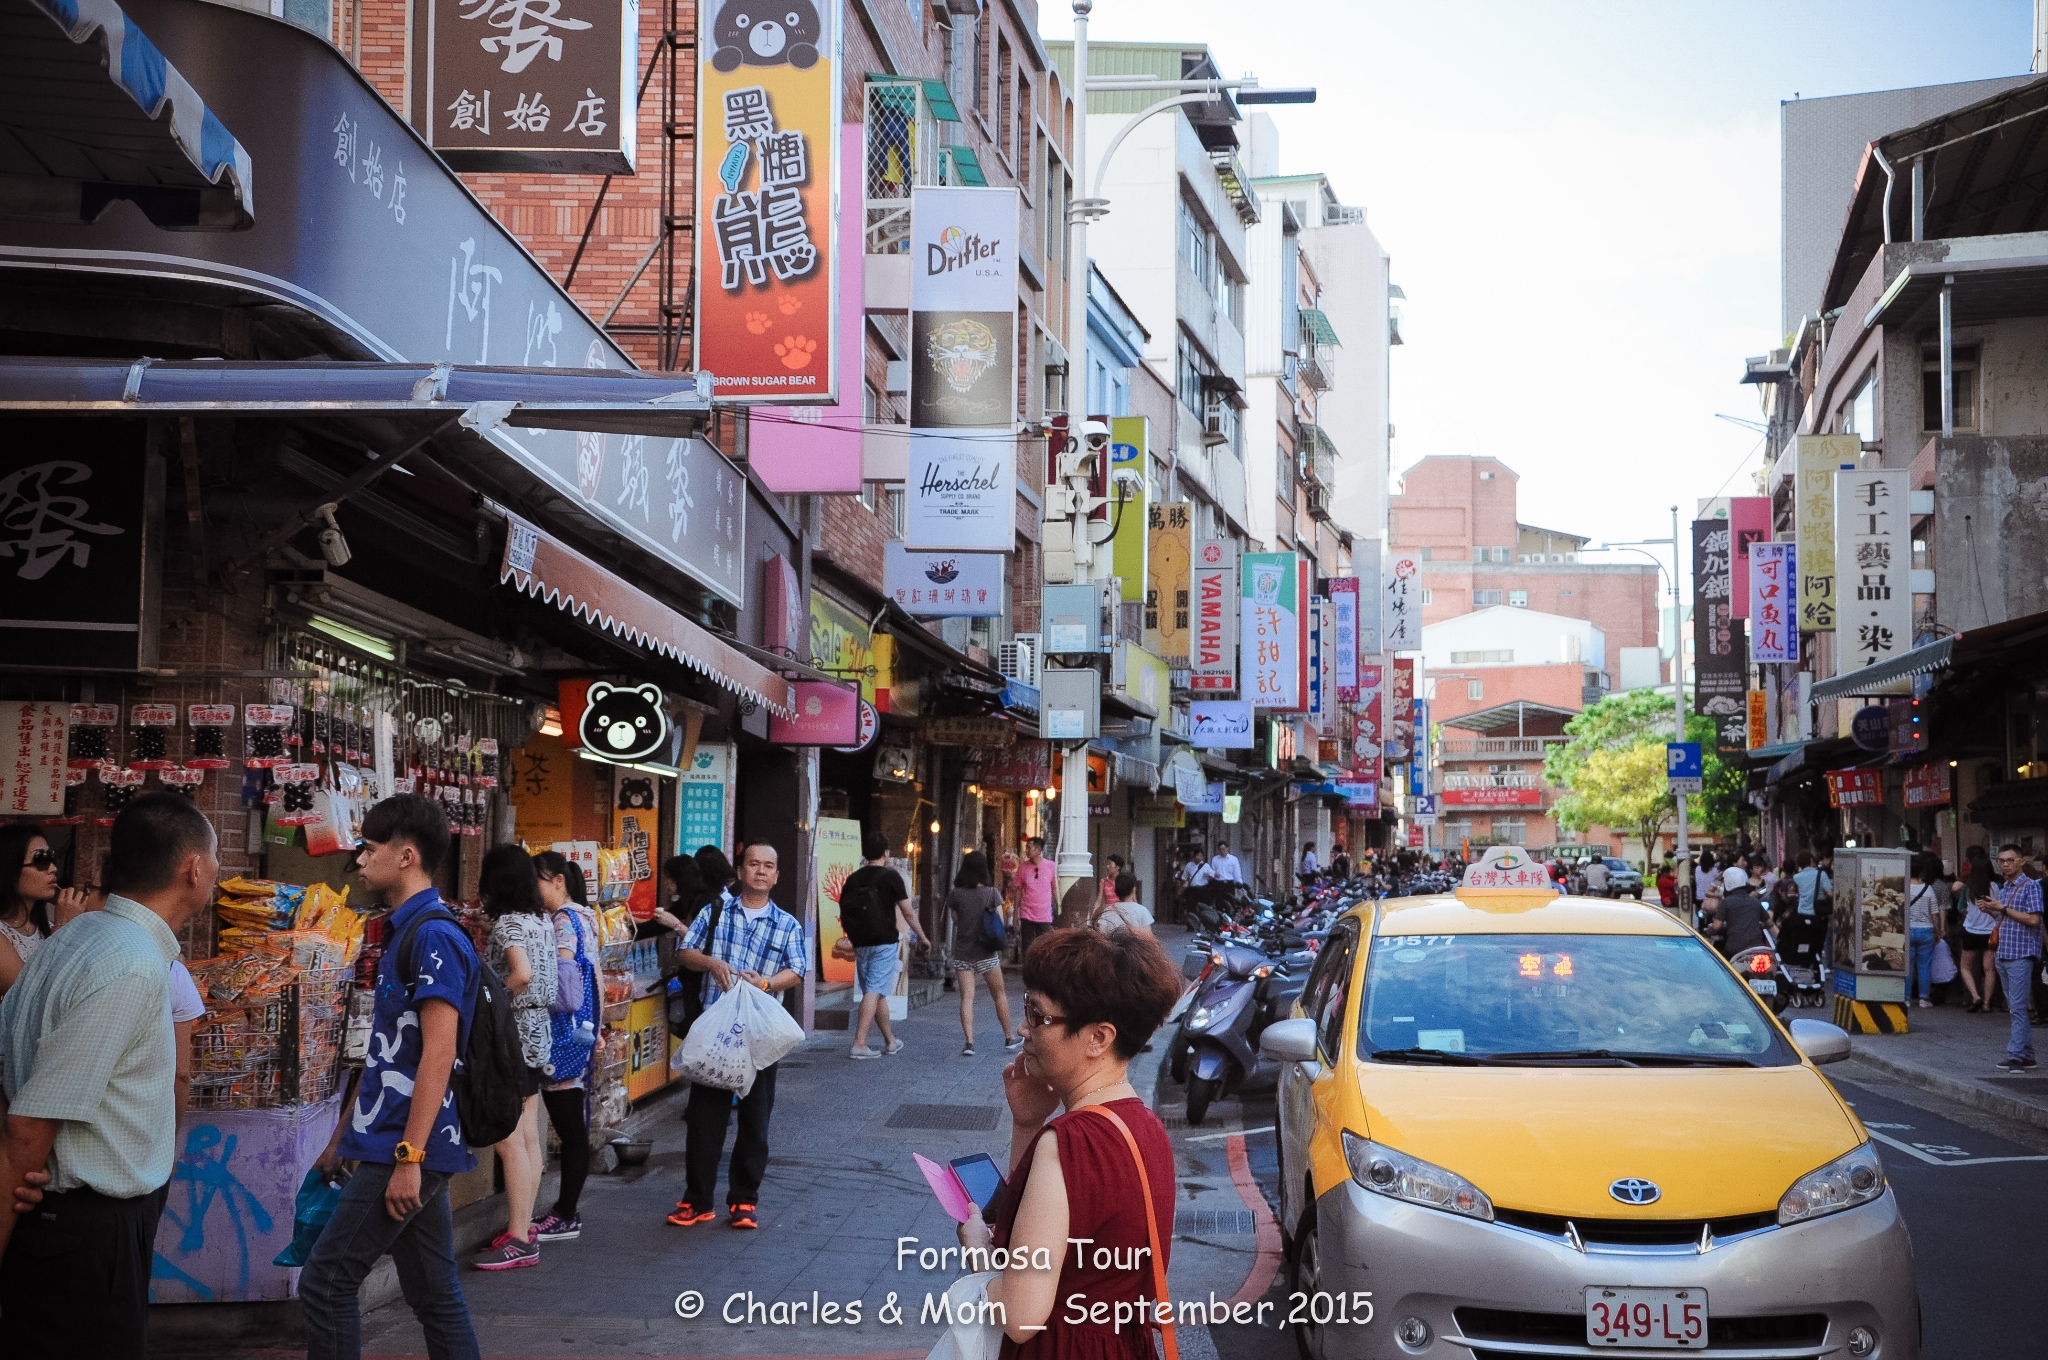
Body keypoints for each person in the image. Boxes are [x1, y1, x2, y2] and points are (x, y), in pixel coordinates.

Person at [0, 795, 214, 1359]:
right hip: (83, 1232)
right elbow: (30, 1121)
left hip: (76, 1225)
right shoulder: (129, 964)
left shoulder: (75, 939)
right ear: (193, 867)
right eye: (214, 861)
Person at [301, 795, 480, 1360]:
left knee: (325, 1284)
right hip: (395, 1141)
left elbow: (438, 1054)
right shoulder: (406, 932)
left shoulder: (434, 936)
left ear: (405, 856)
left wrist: (409, 1159)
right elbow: (385, 1054)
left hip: (405, 1145)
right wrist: (339, 1141)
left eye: (369, 848)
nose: (359, 860)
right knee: (433, 1292)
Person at [960, 927, 1184, 1356]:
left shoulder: (1070, 1143)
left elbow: (1022, 1314)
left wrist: (977, 1254)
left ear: (1099, 1038)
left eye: (1039, 1015)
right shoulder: (1146, 1128)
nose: (1024, 1028)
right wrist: (1027, 1123)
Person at [668, 842, 806, 1231]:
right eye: (754, 864)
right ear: (741, 871)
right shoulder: (715, 911)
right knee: (704, 1119)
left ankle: (744, 1200)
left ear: (776, 876)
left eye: (769, 866)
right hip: (717, 1035)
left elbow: (796, 970)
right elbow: (685, 951)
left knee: (755, 1120)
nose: (761, 871)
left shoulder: (787, 924)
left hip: (761, 1036)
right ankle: (696, 1200)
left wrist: (765, 981)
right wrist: (711, 962)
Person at [470, 845, 556, 1270]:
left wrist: (492, 1000)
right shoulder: (541, 920)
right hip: (539, 1034)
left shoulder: (507, 924)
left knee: (509, 1139)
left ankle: (520, 1237)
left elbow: (520, 973)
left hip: (512, 1038)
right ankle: (523, 1225)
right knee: (527, 1136)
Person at [532, 851, 600, 1243]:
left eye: (538, 882)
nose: (533, 891)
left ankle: (566, 1213)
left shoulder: (562, 922)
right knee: (574, 1126)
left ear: (558, 880)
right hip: (582, 1032)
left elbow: (562, 982)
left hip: (562, 1034)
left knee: (571, 1128)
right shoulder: (586, 917)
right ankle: (565, 1210)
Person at [844, 830, 927, 1060]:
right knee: (874, 990)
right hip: (884, 941)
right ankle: (859, 1043)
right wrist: (922, 936)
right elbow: (908, 912)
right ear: (886, 853)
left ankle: (890, 1041)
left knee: (876, 990)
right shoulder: (891, 877)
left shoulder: (853, 879)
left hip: (861, 942)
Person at [0, 823, 91, 998]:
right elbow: (31, 994)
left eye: (52, 858)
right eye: (41, 860)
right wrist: (63, 925)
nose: (53, 869)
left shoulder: (46, 927)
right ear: (10, 868)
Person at [947, 851, 1019, 1057]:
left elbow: (955, 919)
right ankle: (1008, 1037)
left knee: (966, 997)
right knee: (999, 994)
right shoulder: (991, 893)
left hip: (963, 953)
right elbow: (999, 919)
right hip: (986, 952)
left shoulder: (956, 894)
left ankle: (969, 1043)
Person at [1979, 845, 2043, 1072]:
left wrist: (2003, 909)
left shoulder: (2031, 887)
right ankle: (2027, 1055)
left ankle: (2015, 1056)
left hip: (2021, 954)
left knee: (2016, 1007)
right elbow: (2005, 917)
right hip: (2003, 952)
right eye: (2001, 860)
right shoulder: (2005, 887)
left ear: (2021, 861)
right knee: (2016, 1007)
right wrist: (1991, 910)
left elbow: (2033, 920)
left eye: (2010, 860)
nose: (2005, 864)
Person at [1958, 850, 2001, 1013]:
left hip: (1971, 931)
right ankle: (1987, 1003)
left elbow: (1960, 907)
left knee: (1965, 967)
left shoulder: (1968, 887)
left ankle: (1975, 996)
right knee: (1989, 969)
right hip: (1991, 932)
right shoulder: (1996, 886)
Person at [1905, 854, 1947, 1011]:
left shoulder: (1902, 889)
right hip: (1926, 931)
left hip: (1907, 931)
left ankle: (1906, 998)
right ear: (1922, 872)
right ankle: (1924, 998)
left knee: (1907, 967)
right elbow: (1934, 914)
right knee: (1924, 966)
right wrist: (1939, 931)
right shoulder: (1928, 889)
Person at [1010, 836, 1056, 960]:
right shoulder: (1023, 867)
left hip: (1044, 913)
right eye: (1027, 848)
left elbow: (1055, 888)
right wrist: (1015, 915)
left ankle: (1041, 971)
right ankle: (1028, 971)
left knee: (1045, 945)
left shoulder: (1051, 866)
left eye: (1029, 848)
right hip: (1027, 912)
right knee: (1027, 945)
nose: (1027, 850)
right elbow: (1018, 891)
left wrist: (1058, 908)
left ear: (1038, 850)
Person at [1711, 867, 1766, 957]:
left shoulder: (1726, 902)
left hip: (1735, 949)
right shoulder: (1755, 901)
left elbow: (1716, 926)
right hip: (1758, 949)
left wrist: (1709, 931)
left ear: (1728, 883)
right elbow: (1770, 924)